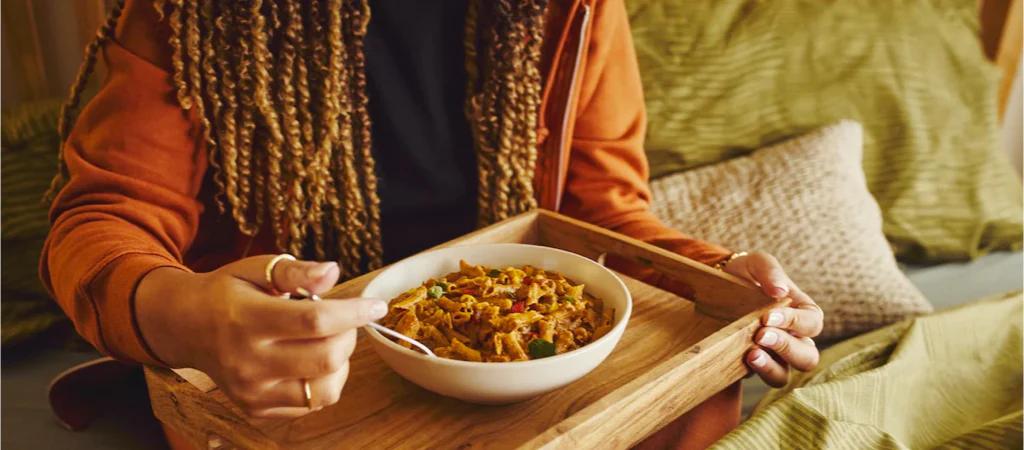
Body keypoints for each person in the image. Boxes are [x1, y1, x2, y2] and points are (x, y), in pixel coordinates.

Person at [41, 0, 823, 448]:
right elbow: (105, 219)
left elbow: (603, 214)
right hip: (296, 387)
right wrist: (186, 317)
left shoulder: (572, 7)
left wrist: (722, 280)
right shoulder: (191, 14)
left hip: (523, 385)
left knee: (698, 402)